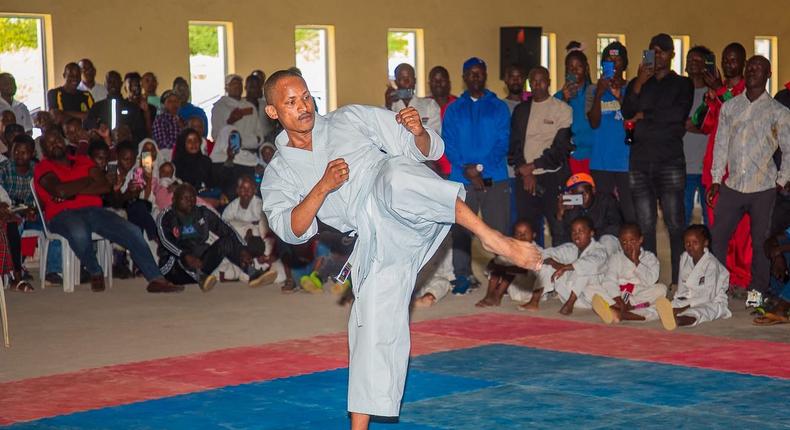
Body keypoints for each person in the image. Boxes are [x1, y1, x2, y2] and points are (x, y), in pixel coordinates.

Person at [259, 69, 541, 429]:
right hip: (375, 240)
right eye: (291, 102)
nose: (304, 106)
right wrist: (322, 187)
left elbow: (419, 149)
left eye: (306, 96)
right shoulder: (279, 172)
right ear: (272, 112)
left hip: (403, 197)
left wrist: (418, 131)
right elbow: (291, 230)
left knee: (397, 175)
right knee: (371, 328)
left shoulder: (349, 118)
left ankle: (490, 236)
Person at [33, 129, 182, 293]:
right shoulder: (42, 167)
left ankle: (156, 278)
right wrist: (88, 181)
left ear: (65, 141)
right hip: (62, 214)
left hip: (94, 211)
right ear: (44, 149)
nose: (55, 143)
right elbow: (59, 191)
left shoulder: (83, 161)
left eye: (57, 139)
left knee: (132, 230)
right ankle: (94, 270)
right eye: (50, 142)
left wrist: (70, 191)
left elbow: (104, 186)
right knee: (79, 232)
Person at [707, 56, 790, 306]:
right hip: (732, 185)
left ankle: (756, 295)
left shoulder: (779, 112)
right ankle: (717, 292)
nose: (753, 71)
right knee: (718, 238)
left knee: (760, 244)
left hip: (764, 187)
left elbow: (788, 148)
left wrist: (782, 179)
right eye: (750, 67)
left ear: (768, 74)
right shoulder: (730, 108)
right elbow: (721, 144)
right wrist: (715, 179)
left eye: (759, 68)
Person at [621, 33, 694, 284]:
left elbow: (676, 115)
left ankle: (679, 282)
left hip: (669, 160)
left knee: (675, 224)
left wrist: (643, 115)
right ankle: (649, 282)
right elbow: (627, 112)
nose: (658, 55)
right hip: (640, 162)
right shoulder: (638, 83)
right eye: (653, 50)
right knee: (645, 226)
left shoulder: (683, 84)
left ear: (672, 54)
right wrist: (640, 83)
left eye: (663, 51)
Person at [443, 57, 512, 295]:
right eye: (471, 74)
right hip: (462, 179)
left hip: (494, 178)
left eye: (479, 73)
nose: (475, 77)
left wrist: (480, 169)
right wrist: (466, 169)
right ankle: (462, 275)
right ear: (464, 78)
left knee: (498, 230)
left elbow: (503, 142)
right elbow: (448, 142)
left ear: (485, 75)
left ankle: (500, 275)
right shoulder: (453, 109)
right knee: (461, 231)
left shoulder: (499, 107)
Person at [694, 43, 751, 293]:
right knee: (719, 229)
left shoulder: (749, 90)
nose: (729, 64)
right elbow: (703, 125)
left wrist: (720, 92)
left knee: (742, 231)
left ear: (743, 63)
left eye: (733, 60)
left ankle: (742, 279)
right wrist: (710, 100)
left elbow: (742, 120)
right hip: (713, 169)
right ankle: (721, 279)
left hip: (738, 171)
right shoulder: (718, 91)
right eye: (725, 60)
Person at [156, 183, 270, 289]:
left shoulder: (202, 213)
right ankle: (199, 277)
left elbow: (227, 229)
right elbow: (166, 241)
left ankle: (252, 272)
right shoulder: (166, 216)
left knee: (227, 241)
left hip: (199, 263)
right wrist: (183, 255)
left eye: (192, 197)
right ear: (174, 199)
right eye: (185, 198)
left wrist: (242, 249)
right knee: (183, 252)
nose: (190, 201)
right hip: (174, 266)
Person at [509, 66, 573, 246]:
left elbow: (560, 148)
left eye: (541, 81)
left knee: (558, 227)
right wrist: (526, 172)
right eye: (533, 82)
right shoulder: (521, 111)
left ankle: (559, 269)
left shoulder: (563, 109)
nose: (537, 85)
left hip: (552, 177)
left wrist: (533, 166)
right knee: (527, 231)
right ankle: (530, 271)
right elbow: (514, 145)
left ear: (549, 82)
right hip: (525, 179)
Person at [2, 134, 63, 284]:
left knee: (55, 226)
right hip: (11, 213)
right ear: (10, 151)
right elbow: (2, 198)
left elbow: (44, 197)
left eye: (24, 152)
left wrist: (35, 210)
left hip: (34, 212)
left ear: (32, 154)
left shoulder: (37, 170)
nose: (19, 155)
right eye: (16, 151)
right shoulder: (4, 170)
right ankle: (17, 267)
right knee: (15, 229)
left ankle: (52, 270)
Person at [587, 41, 634, 222]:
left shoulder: (632, 88)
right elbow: (593, 122)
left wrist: (619, 96)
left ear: (625, 64)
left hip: (626, 161)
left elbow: (634, 117)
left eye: (617, 60)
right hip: (601, 162)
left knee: (629, 213)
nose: (613, 65)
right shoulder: (593, 90)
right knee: (602, 215)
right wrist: (600, 93)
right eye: (608, 60)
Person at [649, 225, 731, 330]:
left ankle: (678, 320)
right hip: (688, 299)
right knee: (660, 308)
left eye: (695, 243)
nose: (690, 246)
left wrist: (682, 308)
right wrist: (677, 302)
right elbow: (682, 288)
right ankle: (630, 314)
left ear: (705, 243)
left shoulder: (712, 264)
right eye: (687, 243)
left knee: (699, 312)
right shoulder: (684, 257)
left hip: (712, 301)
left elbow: (708, 297)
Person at [590, 223, 666, 324]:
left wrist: (636, 262)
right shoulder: (616, 258)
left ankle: (619, 312)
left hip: (638, 295)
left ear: (640, 240)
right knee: (591, 287)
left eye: (632, 241)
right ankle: (623, 310)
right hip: (618, 294)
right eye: (624, 242)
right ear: (619, 242)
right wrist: (618, 299)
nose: (628, 246)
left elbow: (650, 281)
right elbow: (610, 280)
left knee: (661, 289)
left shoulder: (649, 258)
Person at [533, 216, 608, 314]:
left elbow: (590, 263)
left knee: (584, 271)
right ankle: (534, 301)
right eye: (574, 232)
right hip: (567, 294)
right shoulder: (571, 248)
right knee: (547, 264)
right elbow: (546, 253)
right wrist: (553, 262)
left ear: (591, 233)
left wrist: (566, 267)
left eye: (580, 232)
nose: (576, 235)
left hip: (591, 298)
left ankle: (570, 304)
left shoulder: (599, 250)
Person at [210, 74, 263, 194]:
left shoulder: (250, 107)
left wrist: (246, 141)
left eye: (239, 84)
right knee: (233, 191)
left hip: (250, 156)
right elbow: (217, 136)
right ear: (227, 87)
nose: (237, 87)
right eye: (233, 84)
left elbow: (259, 136)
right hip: (230, 157)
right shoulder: (219, 107)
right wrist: (230, 121)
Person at [475, 220, 541, 307]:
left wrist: (505, 268)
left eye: (525, 233)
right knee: (497, 270)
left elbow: (528, 270)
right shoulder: (513, 247)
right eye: (518, 233)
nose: (521, 236)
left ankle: (497, 296)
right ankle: (489, 295)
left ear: (534, 235)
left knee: (510, 271)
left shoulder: (536, 251)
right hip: (514, 287)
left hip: (527, 288)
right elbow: (496, 262)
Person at [682, 46, 713, 226]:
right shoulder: (677, 90)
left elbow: (715, 124)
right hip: (683, 166)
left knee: (710, 219)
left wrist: (694, 126)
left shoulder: (713, 93)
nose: (693, 63)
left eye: (698, 60)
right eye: (690, 60)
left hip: (707, 168)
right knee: (683, 219)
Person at [556, 173, 621, 255]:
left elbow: (616, 227)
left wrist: (589, 236)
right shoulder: (571, 207)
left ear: (593, 190)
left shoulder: (606, 201)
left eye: (583, 193)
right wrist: (560, 214)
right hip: (583, 248)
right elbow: (561, 238)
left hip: (603, 243)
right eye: (576, 195)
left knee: (607, 240)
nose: (581, 197)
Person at [556, 49, 595, 174]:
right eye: (570, 67)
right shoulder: (558, 97)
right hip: (570, 158)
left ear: (586, 68)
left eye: (579, 66)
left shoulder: (596, 93)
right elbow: (554, 129)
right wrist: (565, 100)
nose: (574, 71)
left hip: (596, 156)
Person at [84, 71, 147, 144]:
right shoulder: (98, 106)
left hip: (127, 147)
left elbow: (141, 131)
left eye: (115, 81)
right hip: (103, 147)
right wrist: (98, 125)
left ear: (121, 83)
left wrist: (128, 133)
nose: (113, 84)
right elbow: (87, 124)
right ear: (105, 84)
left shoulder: (132, 107)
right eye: (110, 82)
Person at [385, 63, 442, 134]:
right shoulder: (388, 107)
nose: (406, 82)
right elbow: (386, 133)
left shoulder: (430, 105)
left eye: (409, 78)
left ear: (415, 80)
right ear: (396, 82)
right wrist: (388, 106)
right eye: (402, 78)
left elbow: (435, 135)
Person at [173, 128, 220, 206]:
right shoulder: (177, 163)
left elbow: (213, 183)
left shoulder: (206, 161)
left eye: (196, 140)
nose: (193, 144)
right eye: (189, 141)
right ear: (183, 144)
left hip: (207, 196)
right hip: (188, 202)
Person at [124, 72, 157, 137]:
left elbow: (152, 134)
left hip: (144, 143)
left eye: (137, 85)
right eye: (131, 86)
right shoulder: (121, 106)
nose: (134, 89)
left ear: (141, 87)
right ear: (125, 88)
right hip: (126, 144)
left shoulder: (151, 108)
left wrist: (147, 113)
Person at [152, 90, 182, 159]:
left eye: (176, 101)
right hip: (166, 156)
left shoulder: (182, 120)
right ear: (163, 105)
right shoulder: (160, 120)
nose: (174, 104)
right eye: (170, 101)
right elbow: (163, 143)